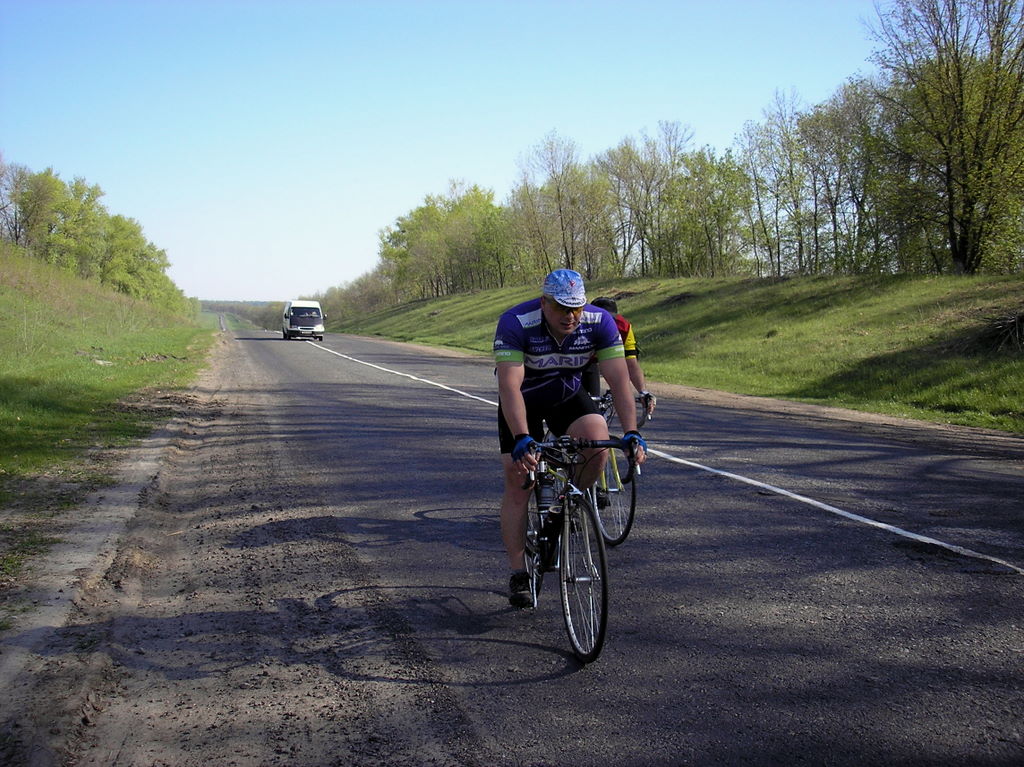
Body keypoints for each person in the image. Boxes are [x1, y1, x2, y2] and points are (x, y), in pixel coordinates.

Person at [493, 269, 647, 607]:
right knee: (519, 480)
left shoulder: (599, 321)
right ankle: (519, 571)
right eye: (562, 308)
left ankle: (565, 504)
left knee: (597, 444)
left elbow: (619, 381)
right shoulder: (516, 322)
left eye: (576, 308)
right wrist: (522, 436)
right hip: (523, 400)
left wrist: (632, 432)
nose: (571, 316)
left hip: (566, 394)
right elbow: (509, 387)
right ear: (544, 303)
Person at [583, 296, 657, 420]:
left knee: (593, 412)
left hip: (594, 363)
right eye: (601, 318)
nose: (606, 322)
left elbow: (631, 364)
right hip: (574, 361)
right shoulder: (580, 323)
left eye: (610, 318)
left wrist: (643, 392)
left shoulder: (624, 328)